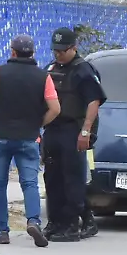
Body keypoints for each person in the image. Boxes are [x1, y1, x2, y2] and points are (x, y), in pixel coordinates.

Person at [0, 34, 59, 248]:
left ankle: (2, 231)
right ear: (32, 53)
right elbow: (55, 109)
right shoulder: (43, 77)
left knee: (0, 184)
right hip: (28, 137)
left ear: (12, 52)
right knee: (30, 183)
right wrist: (39, 123)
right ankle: (33, 221)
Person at [41, 27, 106, 243]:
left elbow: (93, 101)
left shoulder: (83, 70)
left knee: (72, 178)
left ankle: (71, 224)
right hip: (52, 129)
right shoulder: (50, 68)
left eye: (62, 50)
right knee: (52, 177)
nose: (58, 54)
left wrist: (86, 131)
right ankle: (57, 221)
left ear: (74, 48)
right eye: (55, 50)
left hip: (73, 129)